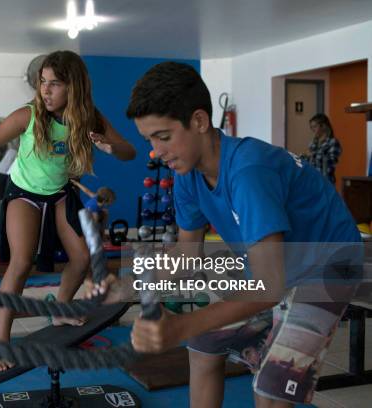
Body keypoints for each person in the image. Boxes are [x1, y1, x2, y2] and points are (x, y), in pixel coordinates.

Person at [87, 62, 361, 407]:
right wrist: (125, 286)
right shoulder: (186, 174)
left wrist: (179, 327)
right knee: (203, 343)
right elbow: (187, 258)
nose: (155, 151)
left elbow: (269, 287)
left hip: (327, 263)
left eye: (164, 136)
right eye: (149, 140)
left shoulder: (249, 172)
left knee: (272, 382)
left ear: (200, 122)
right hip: (274, 265)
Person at [0, 50, 136, 372]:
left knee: (82, 257)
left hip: (60, 193)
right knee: (21, 262)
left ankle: (60, 308)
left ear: (74, 87)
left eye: (54, 84)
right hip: (24, 194)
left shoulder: (90, 119)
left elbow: (130, 151)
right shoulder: (28, 115)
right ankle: (1, 343)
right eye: (43, 82)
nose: (45, 90)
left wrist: (110, 147)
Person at [303, 113, 342, 185]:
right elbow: (307, 163)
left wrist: (312, 154)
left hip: (326, 183)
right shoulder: (312, 143)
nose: (313, 130)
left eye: (314, 127)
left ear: (323, 126)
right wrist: (304, 157)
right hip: (312, 182)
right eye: (311, 127)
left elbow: (330, 163)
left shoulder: (333, 142)